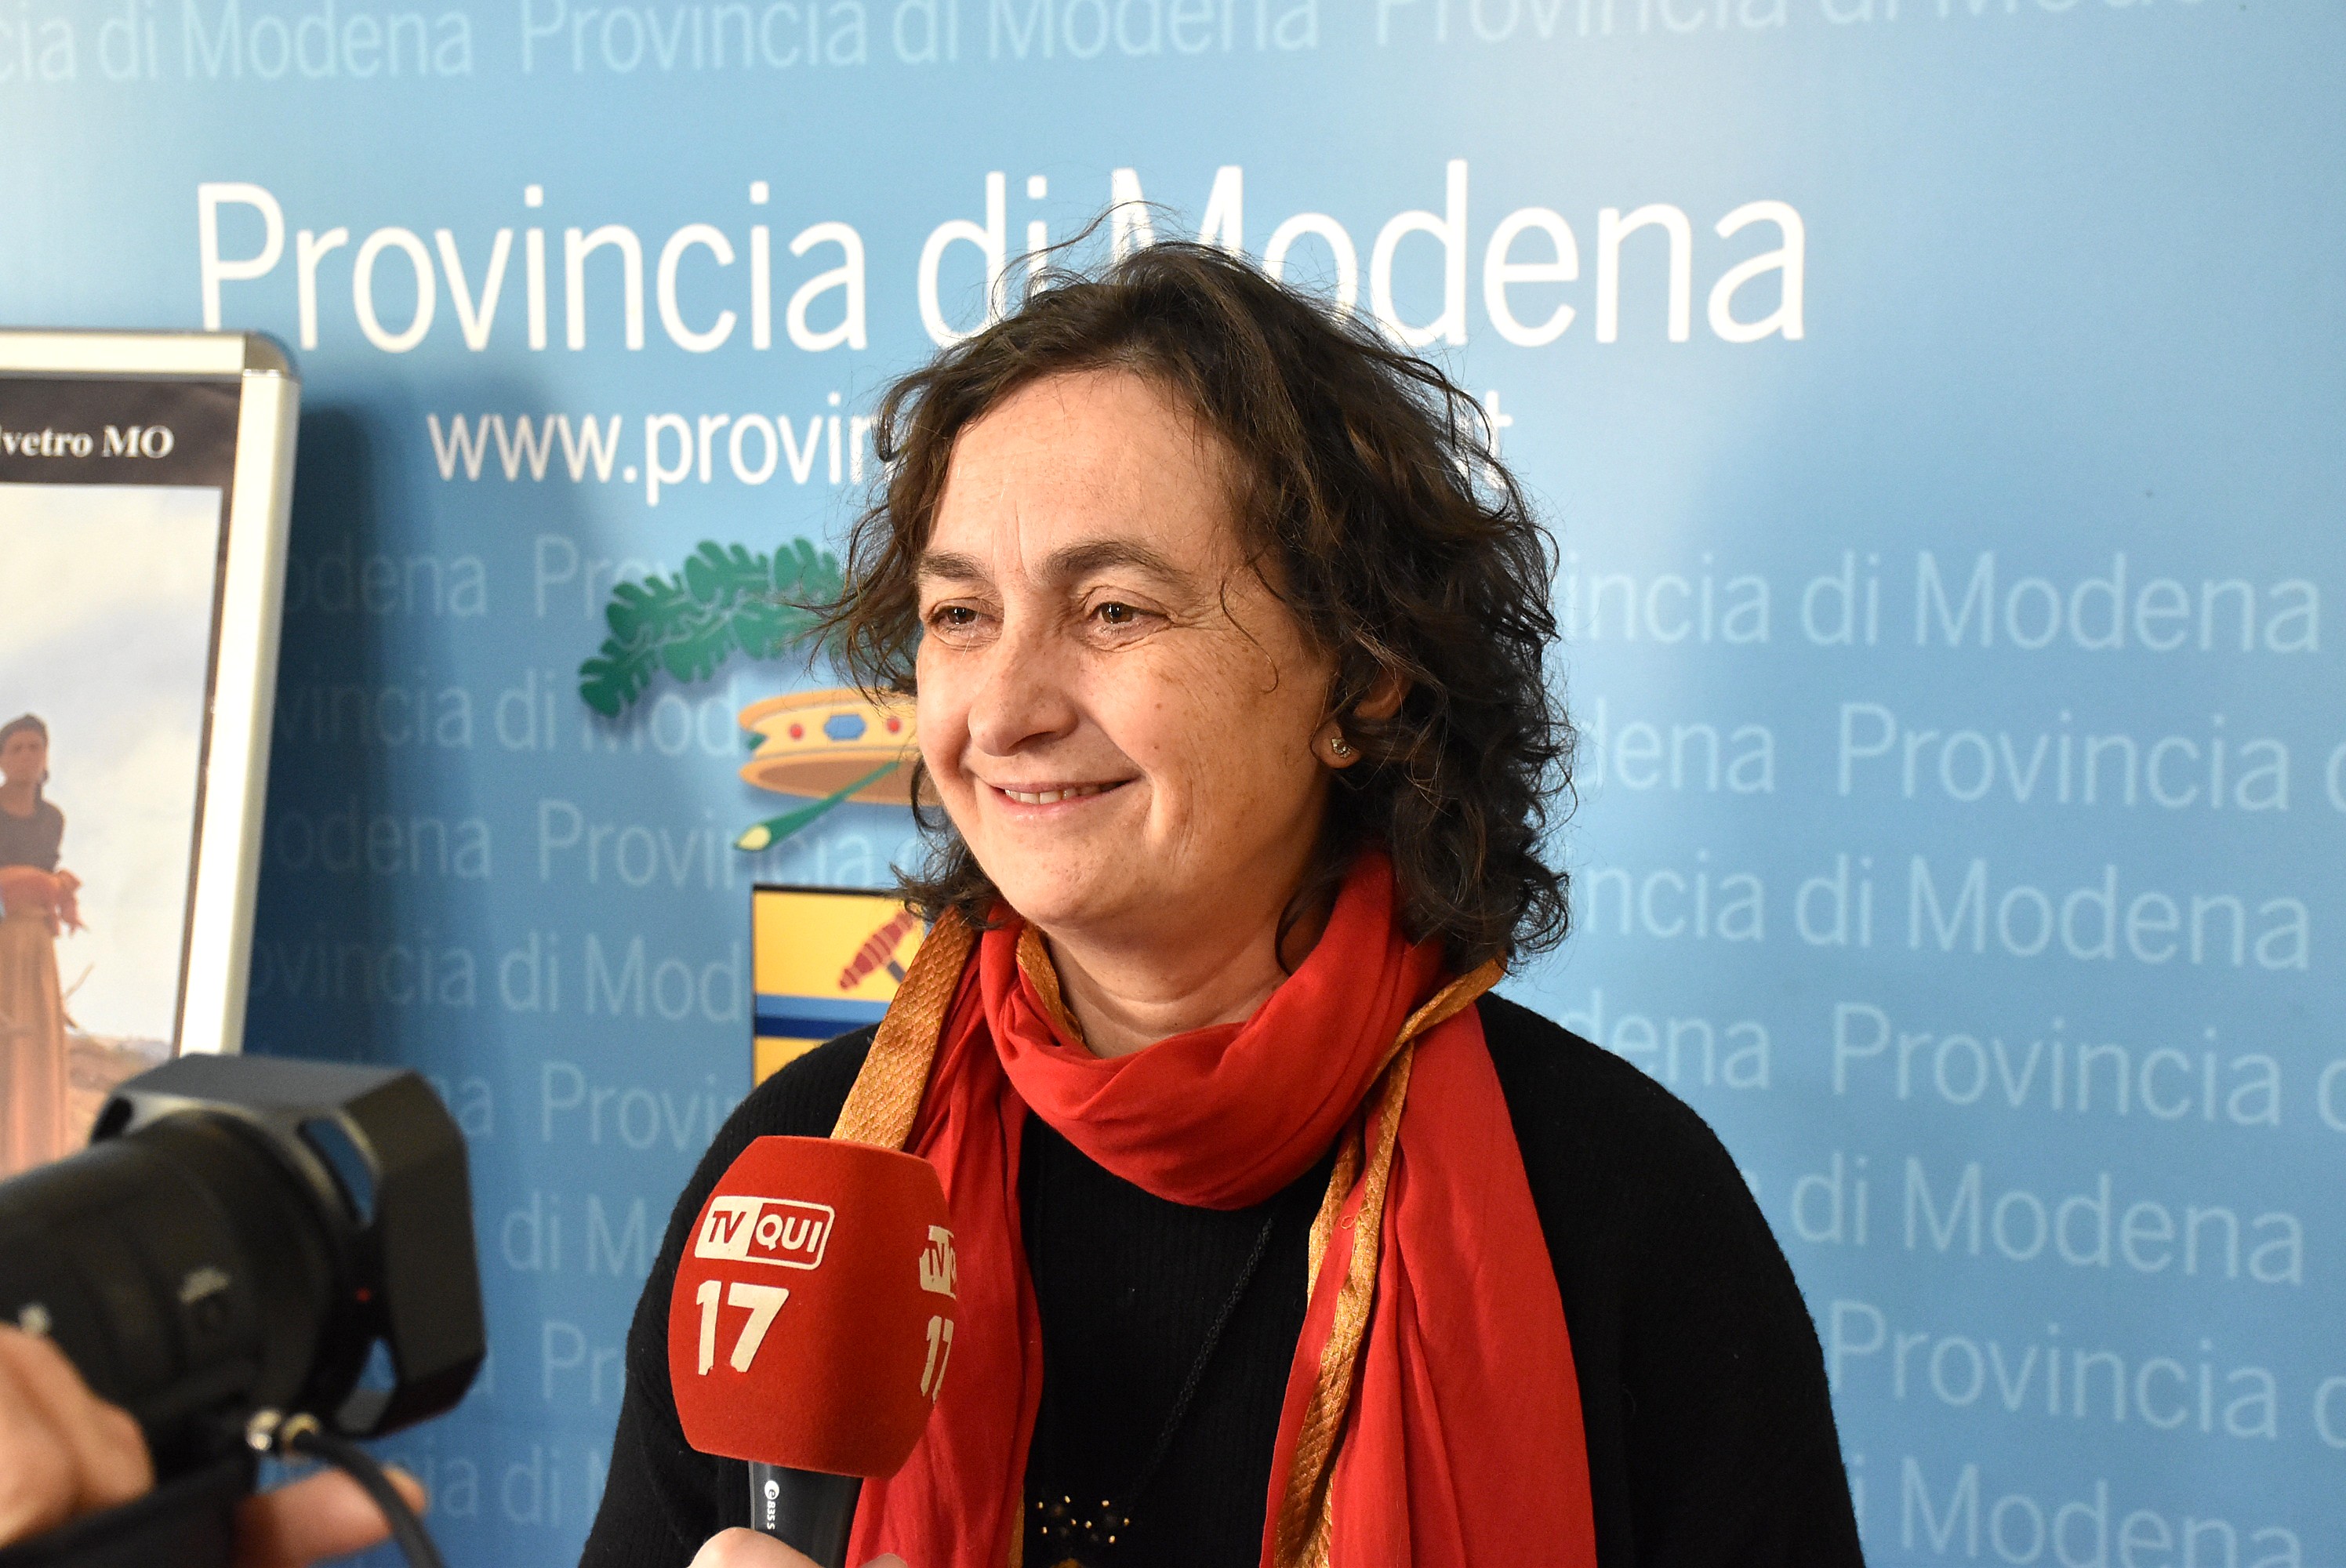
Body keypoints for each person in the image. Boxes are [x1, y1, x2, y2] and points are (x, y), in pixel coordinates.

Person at [583, 244, 1863, 1568]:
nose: (1005, 711)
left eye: (1113, 610)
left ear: (1361, 676)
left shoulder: (1619, 1207)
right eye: (960, 614)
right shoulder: (804, 1179)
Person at [0, 713, 81, 1174]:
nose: (27, 756)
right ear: (2, 760)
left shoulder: (52, 820)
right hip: (2, 939)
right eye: (16, 748)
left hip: (36, 946)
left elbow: (48, 879)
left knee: (34, 1056)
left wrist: (61, 891)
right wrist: (25, 882)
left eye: (36, 747)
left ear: (46, 756)